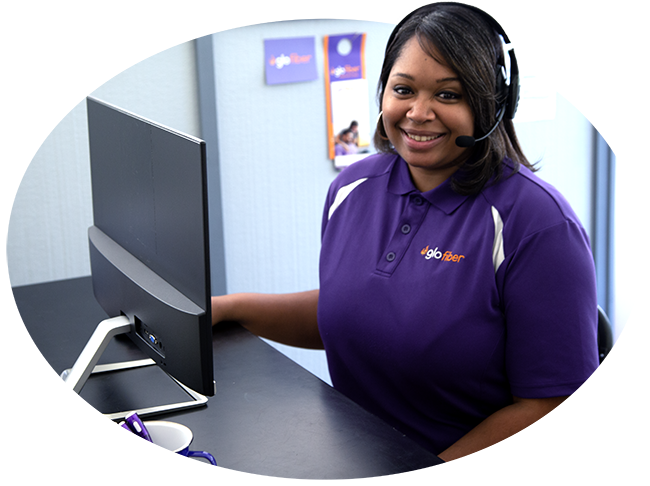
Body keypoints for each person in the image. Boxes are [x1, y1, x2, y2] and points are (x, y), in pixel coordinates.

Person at [211, 0, 598, 464]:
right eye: (403, 89)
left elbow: (553, 408)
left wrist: (421, 478)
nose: (418, 112)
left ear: (493, 104)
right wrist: (229, 309)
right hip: (357, 459)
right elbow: (355, 310)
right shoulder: (349, 191)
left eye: (448, 95)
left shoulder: (538, 225)